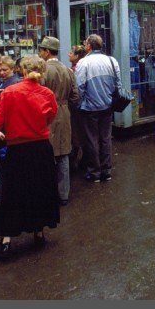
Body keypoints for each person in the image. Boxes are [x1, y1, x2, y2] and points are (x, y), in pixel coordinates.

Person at [0, 55, 59, 261]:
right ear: (42, 72)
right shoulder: (47, 93)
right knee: (40, 190)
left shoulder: (9, 92)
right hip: (41, 148)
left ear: (22, 71)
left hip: (17, 150)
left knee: (12, 194)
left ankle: (6, 240)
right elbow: (50, 118)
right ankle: (39, 232)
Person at [38, 36, 80, 206]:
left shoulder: (42, 71)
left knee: (46, 154)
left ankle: (47, 193)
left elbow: (38, 95)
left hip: (46, 115)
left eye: (41, 50)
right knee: (63, 154)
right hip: (64, 114)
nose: (39, 53)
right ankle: (63, 194)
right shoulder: (67, 70)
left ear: (47, 52)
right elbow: (75, 96)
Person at [74, 34, 119, 182]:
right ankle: (106, 171)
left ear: (89, 46)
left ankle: (94, 172)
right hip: (107, 106)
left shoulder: (83, 63)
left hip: (89, 108)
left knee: (92, 139)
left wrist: (80, 104)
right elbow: (117, 84)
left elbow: (79, 87)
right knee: (105, 138)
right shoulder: (112, 61)